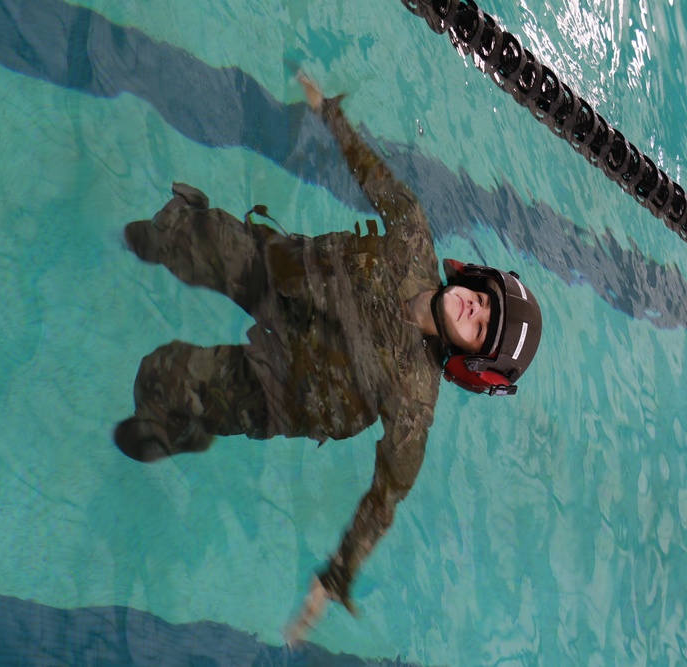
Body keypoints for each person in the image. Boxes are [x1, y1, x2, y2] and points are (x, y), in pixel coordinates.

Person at [112, 74, 544, 642]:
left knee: (162, 376)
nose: (473, 309)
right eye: (484, 300)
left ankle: (187, 424)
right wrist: (329, 114)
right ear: (476, 279)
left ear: (470, 362)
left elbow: (383, 501)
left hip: (285, 385)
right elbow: (371, 171)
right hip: (289, 280)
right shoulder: (412, 240)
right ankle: (146, 244)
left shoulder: (413, 401)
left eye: (481, 328)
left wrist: (336, 577)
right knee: (179, 232)